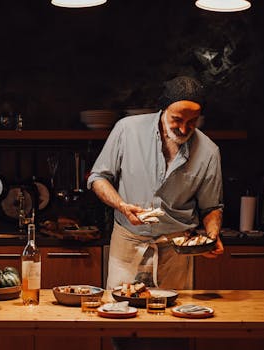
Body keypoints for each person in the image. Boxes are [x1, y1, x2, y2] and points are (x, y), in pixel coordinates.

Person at [87, 76, 224, 350]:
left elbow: (211, 207)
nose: (184, 128)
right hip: (128, 244)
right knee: (121, 325)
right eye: (177, 119)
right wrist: (122, 205)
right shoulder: (127, 130)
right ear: (162, 110)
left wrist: (211, 235)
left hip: (175, 252)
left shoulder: (209, 151)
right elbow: (98, 177)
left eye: (192, 122)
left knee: (173, 330)